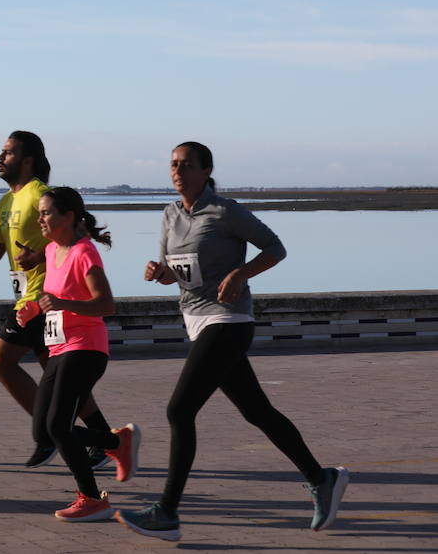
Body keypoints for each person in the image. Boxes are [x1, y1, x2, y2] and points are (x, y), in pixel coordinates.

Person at [116, 142, 348, 541]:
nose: (177, 172)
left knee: (179, 410)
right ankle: (321, 477)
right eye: (173, 165)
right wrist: (160, 272)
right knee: (258, 412)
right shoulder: (170, 214)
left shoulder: (225, 211)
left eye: (186, 165)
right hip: (196, 321)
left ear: (206, 171)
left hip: (229, 321)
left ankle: (167, 512)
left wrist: (241, 273)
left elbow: (276, 248)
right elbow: (178, 272)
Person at [0, 131, 118, 466]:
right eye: (1, 152)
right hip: (27, 299)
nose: (0, 158)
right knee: (57, 376)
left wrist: (40, 258)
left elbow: (72, 239)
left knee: (1, 360)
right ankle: (99, 439)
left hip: (43, 298)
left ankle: (51, 435)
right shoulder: (5, 202)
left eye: (8, 153)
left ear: (28, 160)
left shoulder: (42, 194)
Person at [26, 187, 139, 522]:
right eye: (39, 213)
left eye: (46, 213)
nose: (40, 219)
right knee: (44, 432)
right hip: (59, 346)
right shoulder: (51, 251)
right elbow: (56, 296)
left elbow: (106, 304)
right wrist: (33, 311)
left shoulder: (84, 252)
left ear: (69, 216)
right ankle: (114, 442)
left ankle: (92, 499)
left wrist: (62, 305)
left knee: (59, 427)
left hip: (86, 348)